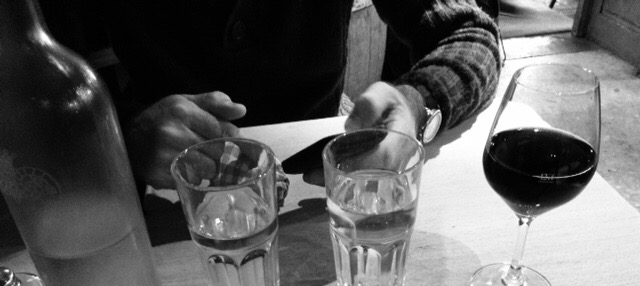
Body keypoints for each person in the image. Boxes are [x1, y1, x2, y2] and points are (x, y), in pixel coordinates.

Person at [97, 0, 501, 190]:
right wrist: (123, 134)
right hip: (155, 195)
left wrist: (416, 102)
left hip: (323, 189)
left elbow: (472, 35)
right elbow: (58, 99)